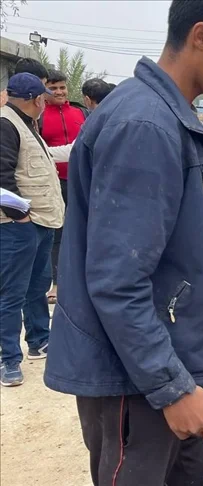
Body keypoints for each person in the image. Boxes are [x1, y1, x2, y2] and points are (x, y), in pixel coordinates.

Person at [43, 2, 203, 484]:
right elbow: (118, 279)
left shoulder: (172, 117)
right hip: (135, 375)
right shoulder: (146, 126)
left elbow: (165, 233)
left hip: (165, 359)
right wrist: (171, 389)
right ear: (200, 37)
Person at [0, 73, 62, 387]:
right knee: (11, 293)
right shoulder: (6, 124)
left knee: (36, 286)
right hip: (18, 225)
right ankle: (8, 359)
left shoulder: (26, 124)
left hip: (41, 220)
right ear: (36, 99)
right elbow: (1, 178)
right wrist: (20, 219)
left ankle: (38, 339)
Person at [41, 69, 89, 304]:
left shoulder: (81, 112)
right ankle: (57, 283)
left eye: (62, 87)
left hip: (81, 179)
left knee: (82, 228)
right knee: (57, 232)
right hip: (54, 183)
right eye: (54, 88)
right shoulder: (39, 116)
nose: (59, 92)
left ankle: (81, 279)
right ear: (45, 90)